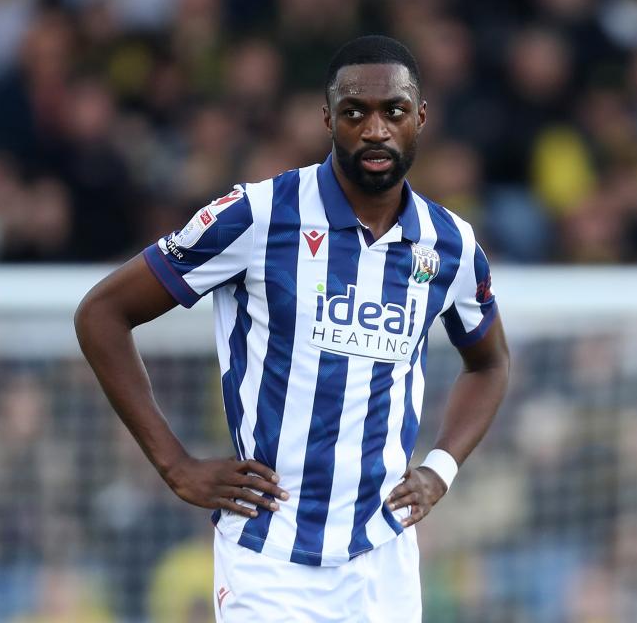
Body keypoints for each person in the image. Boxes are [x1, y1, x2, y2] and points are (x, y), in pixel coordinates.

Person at [74, 35, 510, 621]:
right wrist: (174, 464)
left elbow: (489, 363)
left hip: (383, 558)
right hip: (268, 555)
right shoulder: (257, 215)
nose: (375, 129)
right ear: (328, 118)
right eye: (355, 112)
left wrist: (441, 468)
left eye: (394, 111)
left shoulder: (449, 245)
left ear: (421, 118)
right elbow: (102, 314)